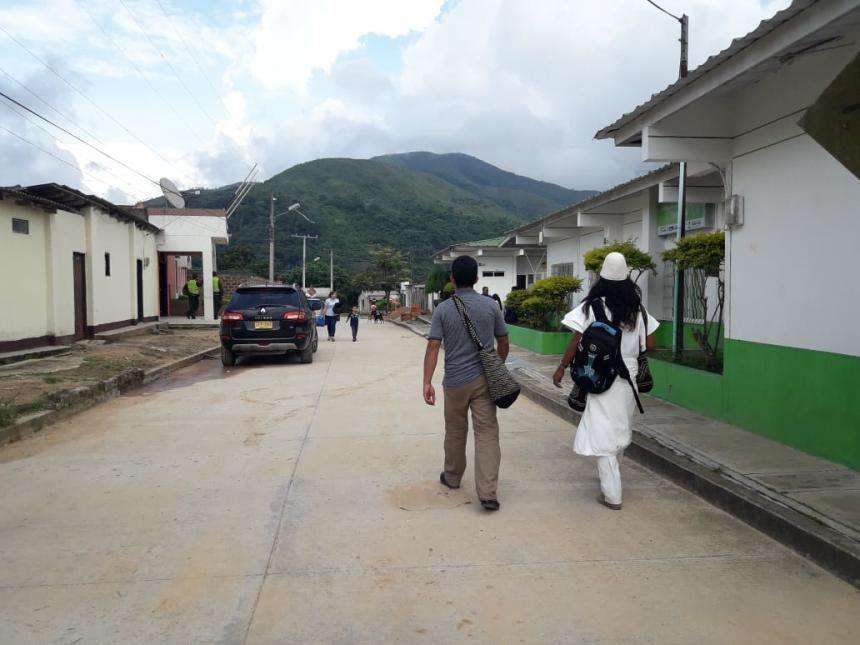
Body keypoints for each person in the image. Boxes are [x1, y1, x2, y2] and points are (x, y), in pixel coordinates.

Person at [552, 252, 658, 511]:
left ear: (602, 277)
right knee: (618, 429)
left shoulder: (592, 306)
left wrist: (562, 367)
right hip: (629, 377)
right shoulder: (638, 310)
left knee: (602, 434)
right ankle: (610, 476)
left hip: (600, 374)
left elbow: (576, 340)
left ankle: (612, 495)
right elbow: (651, 345)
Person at [423, 255, 509, 511]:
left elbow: (433, 347)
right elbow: (504, 341)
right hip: (484, 381)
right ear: (476, 278)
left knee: (456, 431)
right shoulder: (491, 306)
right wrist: (497, 366)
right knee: (487, 434)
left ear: (452, 280)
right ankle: (488, 493)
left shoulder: (443, 309)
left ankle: (452, 477)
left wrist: (427, 382)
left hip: (455, 383)